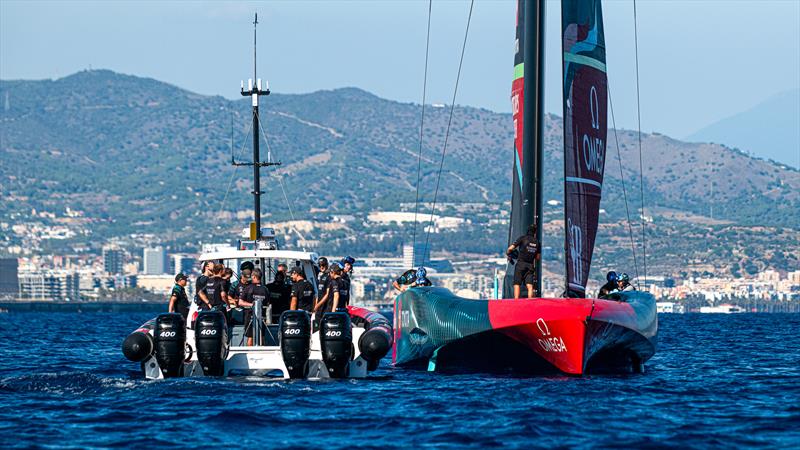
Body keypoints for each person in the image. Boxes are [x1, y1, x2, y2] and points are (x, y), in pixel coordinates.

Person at [506, 224, 541, 299]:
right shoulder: (537, 242)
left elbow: (510, 248)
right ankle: (530, 302)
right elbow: (538, 257)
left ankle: (516, 301)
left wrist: (509, 253)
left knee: (517, 283)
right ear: (534, 233)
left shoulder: (523, 238)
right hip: (530, 265)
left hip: (521, 264)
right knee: (530, 285)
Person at [239, 268, 269, 346]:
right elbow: (268, 303)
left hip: (250, 316)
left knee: (250, 338)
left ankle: (249, 355)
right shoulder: (265, 289)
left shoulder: (248, 288)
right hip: (262, 316)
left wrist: (252, 305)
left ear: (254, 277)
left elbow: (240, 302)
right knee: (261, 337)